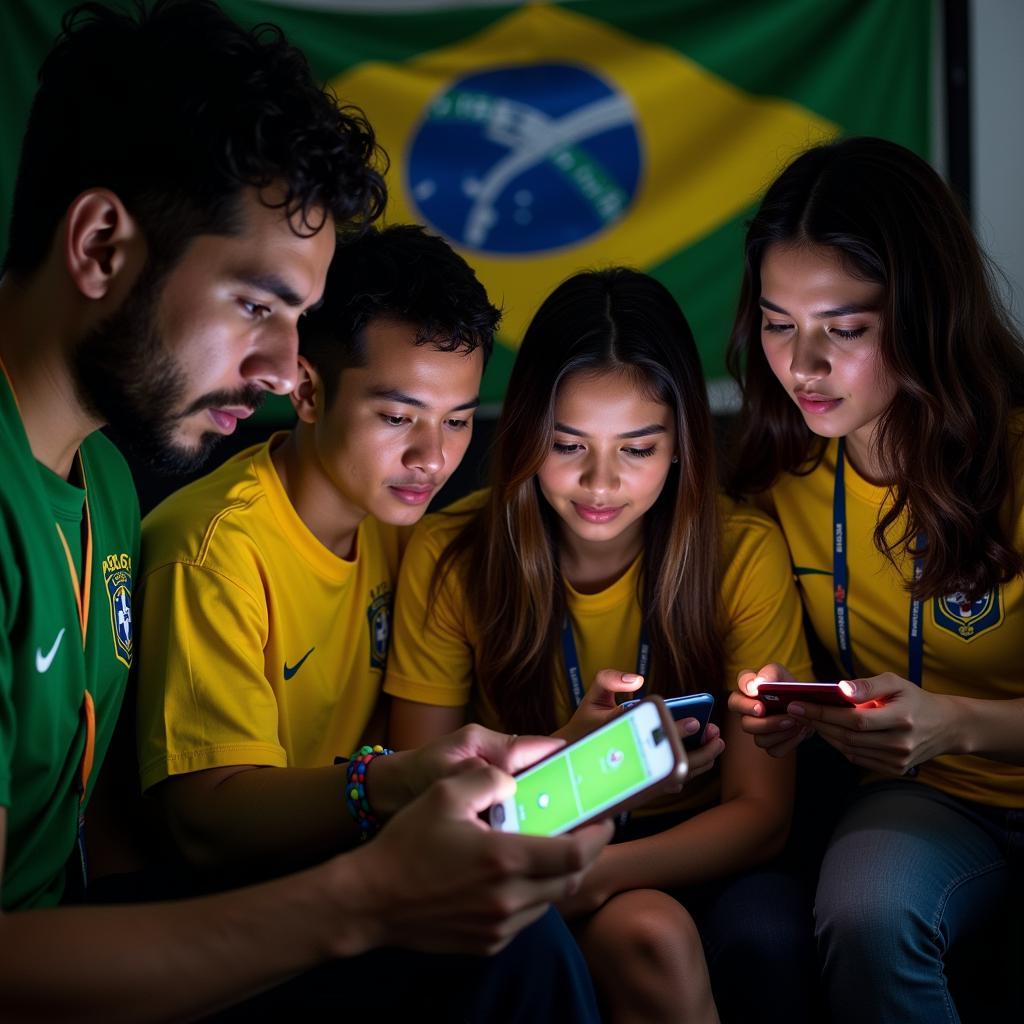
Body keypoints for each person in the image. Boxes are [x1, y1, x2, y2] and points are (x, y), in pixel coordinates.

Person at [0, 3, 609, 1020]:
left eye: (298, 321)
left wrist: (421, 784)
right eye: (256, 305)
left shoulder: (100, 472)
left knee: (518, 952)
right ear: (101, 245)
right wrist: (367, 893)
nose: (287, 371)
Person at [385, 267, 819, 1024]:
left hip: (694, 851)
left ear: (682, 441)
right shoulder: (451, 555)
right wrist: (578, 761)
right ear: (524, 434)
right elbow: (424, 801)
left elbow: (761, 812)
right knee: (646, 932)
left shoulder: (742, 550)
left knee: (654, 928)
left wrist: (596, 872)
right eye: (568, 444)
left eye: (638, 448)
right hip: (524, 850)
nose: (600, 482)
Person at [725, 135, 1024, 1023]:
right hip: (929, 808)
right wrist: (780, 711)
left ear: (925, 313)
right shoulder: (778, 478)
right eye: (779, 324)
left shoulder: (1015, 459)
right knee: (867, 909)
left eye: (844, 330)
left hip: (969, 759)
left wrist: (957, 725)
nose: (802, 365)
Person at [134, 223, 501, 875]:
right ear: (306, 391)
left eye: (459, 420)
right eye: (396, 418)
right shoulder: (213, 550)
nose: (433, 457)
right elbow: (205, 820)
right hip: (226, 917)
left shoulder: (410, 530)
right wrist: (382, 784)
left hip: (357, 881)